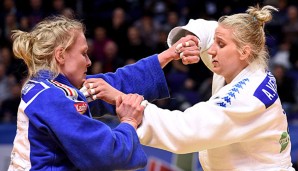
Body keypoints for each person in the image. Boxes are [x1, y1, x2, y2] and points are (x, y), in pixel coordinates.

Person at [8, 15, 200, 170]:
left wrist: (166, 56)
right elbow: (107, 154)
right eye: (83, 53)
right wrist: (129, 122)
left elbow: (109, 85)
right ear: (60, 55)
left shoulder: (45, 87)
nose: (89, 61)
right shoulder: (53, 97)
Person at [135, 5, 296, 170]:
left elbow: (185, 132)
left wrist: (135, 110)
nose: (211, 50)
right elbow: (211, 29)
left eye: (220, 44)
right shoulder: (245, 62)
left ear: (244, 52)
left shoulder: (247, 96)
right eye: (215, 41)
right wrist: (194, 38)